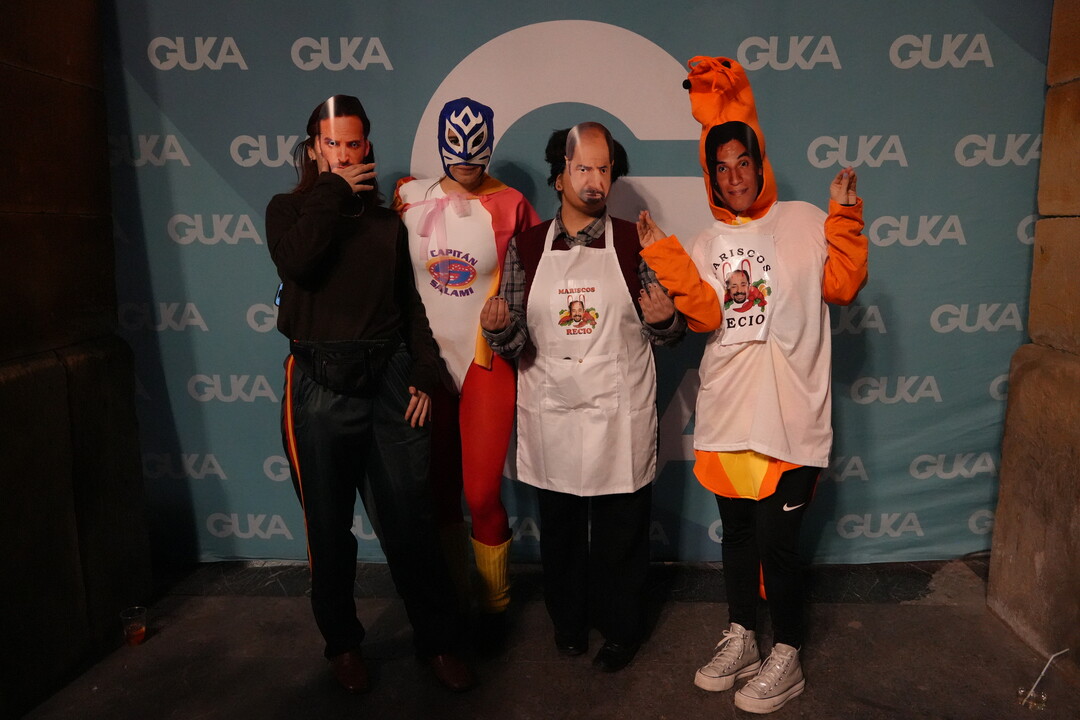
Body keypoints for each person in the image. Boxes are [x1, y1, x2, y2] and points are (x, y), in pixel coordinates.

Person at [637, 56, 868, 714]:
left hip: (791, 416)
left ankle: (786, 653)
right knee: (737, 536)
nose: (734, 175)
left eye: (743, 162)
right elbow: (706, 315)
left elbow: (842, 284)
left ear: (760, 162)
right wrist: (664, 255)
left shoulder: (804, 220)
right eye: (721, 167)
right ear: (710, 177)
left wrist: (845, 217)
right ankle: (742, 634)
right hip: (728, 413)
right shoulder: (707, 242)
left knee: (778, 544)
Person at [266, 94, 474, 694]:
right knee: (329, 529)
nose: (343, 154)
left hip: (388, 379)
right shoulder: (287, 211)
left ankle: (438, 641)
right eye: (332, 144)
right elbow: (300, 262)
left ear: (367, 148)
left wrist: (424, 371)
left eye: (352, 143)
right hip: (319, 381)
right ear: (314, 150)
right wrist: (332, 192)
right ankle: (343, 645)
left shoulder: (386, 224)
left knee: (411, 522)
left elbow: (410, 307)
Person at [480, 122, 685, 672]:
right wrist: (498, 330)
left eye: (604, 169)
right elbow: (515, 342)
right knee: (562, 533)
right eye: (583, 168)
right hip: (555, 414)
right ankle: (567, 625)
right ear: (559, 176)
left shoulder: (637, 241)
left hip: (620, 413)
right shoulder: (526, 247)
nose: (595, 180)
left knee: (622, 533)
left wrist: (666, 321)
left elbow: (669, 334)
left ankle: (621, 630)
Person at [392, 97, 540, 640]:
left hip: (484, 361)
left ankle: (494, 609)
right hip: (426, 366)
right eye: (456, 149)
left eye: (477, 150)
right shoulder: (408, 197)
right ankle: (452, 607)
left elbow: (536, 285)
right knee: (438, 494)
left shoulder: (512, 204)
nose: (467, 161)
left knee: (480, 494)